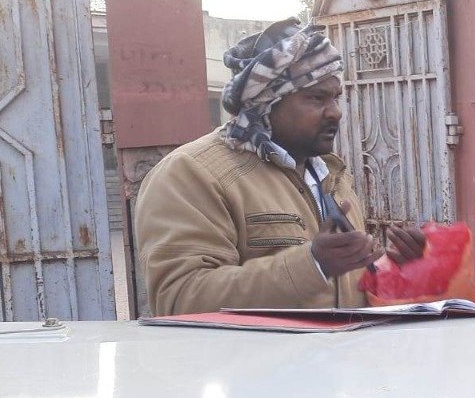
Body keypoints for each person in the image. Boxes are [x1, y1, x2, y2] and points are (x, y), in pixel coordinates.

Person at [136, 18, 425, 316]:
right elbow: (180, 298)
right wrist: (313, 265)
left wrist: (395, 266)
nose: (336, 113)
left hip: (343, 348)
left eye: (336, 98)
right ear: (265, 102)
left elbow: (342, 293)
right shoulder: (193, 173)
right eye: (316, 98)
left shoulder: (331, 176)